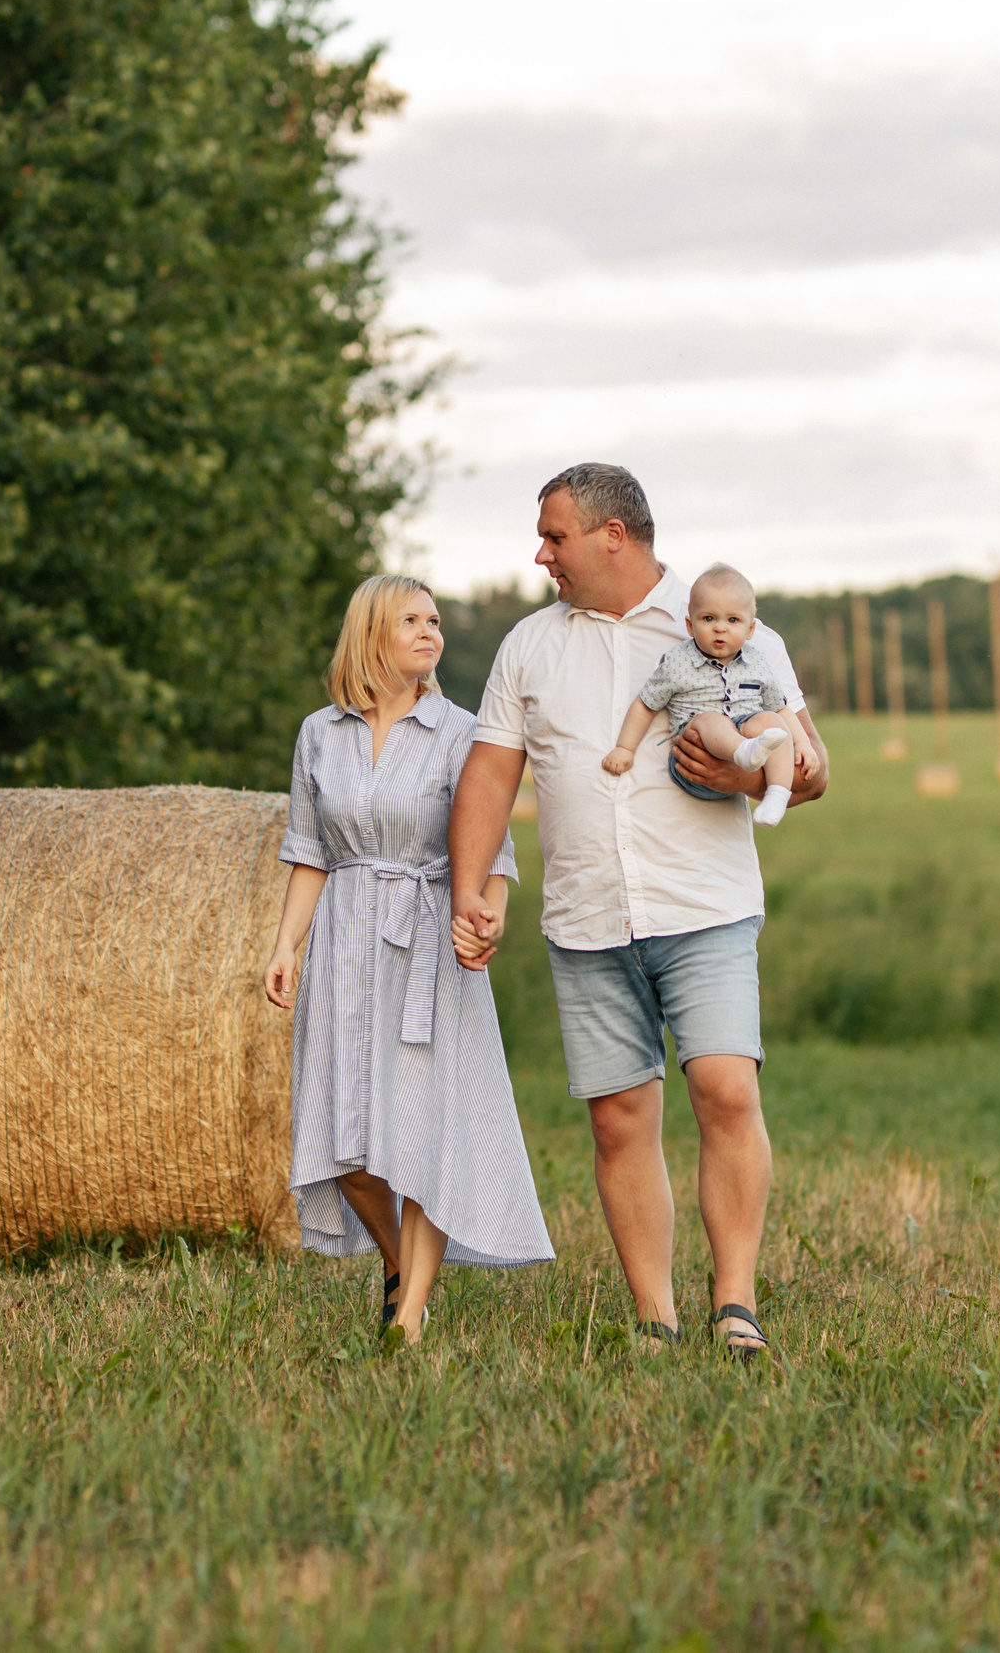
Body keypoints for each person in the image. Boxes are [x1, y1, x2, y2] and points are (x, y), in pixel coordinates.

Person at [446, 465, 829, 1361]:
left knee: (726, 1089)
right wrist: (471, 888)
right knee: (619, 1118)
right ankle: (653, 1314)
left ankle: (735, 1303)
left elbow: (813, 766)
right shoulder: (528, 646)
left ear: (613, 535)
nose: (542, 554)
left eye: (555, 536)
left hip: (705, 906)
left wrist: (746, 774)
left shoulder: (728, 626)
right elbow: (493, 771)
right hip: (586, 915)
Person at [263, 574, 554, 1350]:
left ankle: (410, 1318)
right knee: (342, 1139)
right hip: (343, 937)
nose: (431, 633)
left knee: (423, 1133)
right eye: (411, 621)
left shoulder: (462, 732)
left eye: (434, 620)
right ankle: (399, 1264)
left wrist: (485, 911)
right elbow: (308, 851)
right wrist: (285, 943)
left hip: (428, 934)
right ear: (371, 635)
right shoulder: (318, 734)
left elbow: (497, 847)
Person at [600, 562, 805, 826]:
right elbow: (645, 704)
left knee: (771, 722)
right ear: (690, 624)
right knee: (711, 720)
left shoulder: (758, 663)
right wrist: (624, 749)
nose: (720, 628)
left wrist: (802, 744)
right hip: (694, 755)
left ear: (750, 629)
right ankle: (744, 751)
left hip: (744, 752)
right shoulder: (677, 662)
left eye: (733, 620)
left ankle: (776, 796)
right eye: (709, 618)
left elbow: (781, 708)